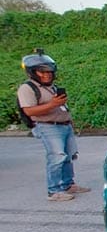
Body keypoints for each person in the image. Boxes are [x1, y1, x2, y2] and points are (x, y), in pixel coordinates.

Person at [16, 50, 91, 201]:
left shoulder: (50, 87)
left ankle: (68, 184)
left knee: (69, 156)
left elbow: (60, 107)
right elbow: (29, 110)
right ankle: (54, 190)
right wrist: (52, 104)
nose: (47, 75)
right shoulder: (27, 88)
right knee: (57, 157)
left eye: (49, 71)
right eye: (42, 72)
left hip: (63, 125)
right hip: (48, 126)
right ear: (33, 72)